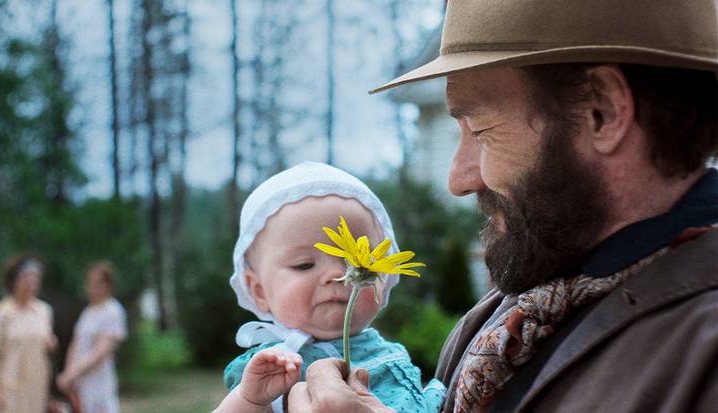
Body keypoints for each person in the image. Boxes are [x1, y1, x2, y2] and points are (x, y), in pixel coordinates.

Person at [287, 0, 718, 412]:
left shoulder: (703, 350)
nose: (458, 180)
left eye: (481, 129)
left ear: (601, 110)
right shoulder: (514, 312)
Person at [214, 161, 446, 413]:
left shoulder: (390, 352)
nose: (338, 274)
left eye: (358, 261)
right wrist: (249, 401)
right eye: (304, 265)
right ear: (258, 290)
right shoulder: (271, 365)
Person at [0, 254, 57, 413]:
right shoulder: (1, 313)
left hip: (37, 386)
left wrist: (51, 343)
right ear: (15, 281)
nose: (32, 283)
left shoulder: (44, 311)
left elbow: (47, 342)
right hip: (10, 387)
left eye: (36, 278)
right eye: (27, 278)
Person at [57, 261, 127, 413]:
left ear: (108, 285)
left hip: (99, 383)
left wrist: (73, 373)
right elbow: (75, 343)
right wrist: (69, 372)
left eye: (97, 283)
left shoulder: (112, 310)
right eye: (89, 282)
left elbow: (101, 351)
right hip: (81, 383)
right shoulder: (88, 312)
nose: (91, 287)